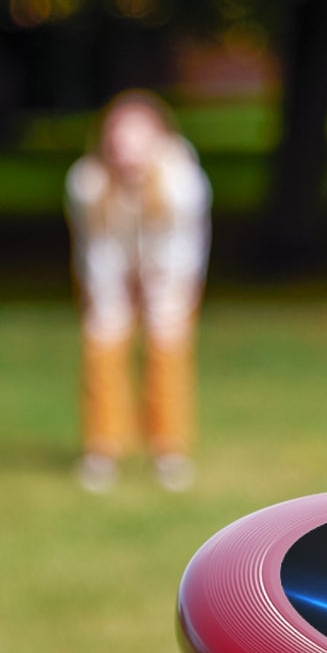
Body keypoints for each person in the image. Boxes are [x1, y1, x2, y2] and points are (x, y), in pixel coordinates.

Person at [65, 90, 212, 493]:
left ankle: (169, 450)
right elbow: (96, 249)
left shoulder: (182, 182)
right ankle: (102, 449)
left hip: (170, 275)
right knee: (102, 346)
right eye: (118, 139)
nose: (126, 150)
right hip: (109, 273)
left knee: (167, 350)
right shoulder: (87, 182)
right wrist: (112, 298)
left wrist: (159, 292)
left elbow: (183, 249)